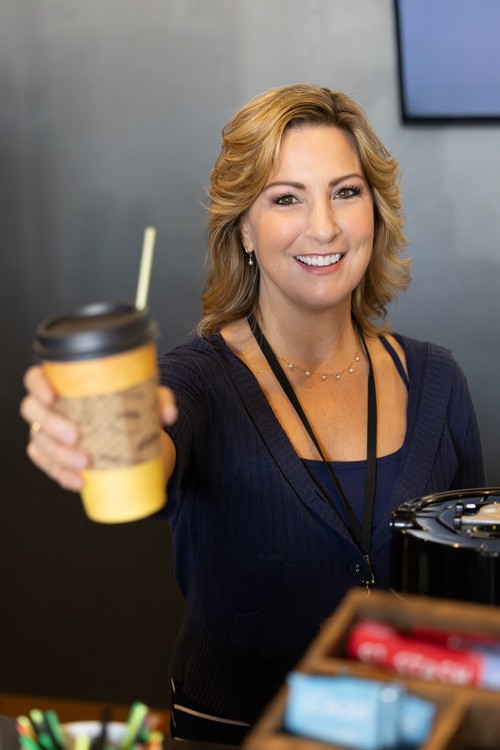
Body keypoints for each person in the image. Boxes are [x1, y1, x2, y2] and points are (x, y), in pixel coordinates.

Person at [20, 83, 485, 744]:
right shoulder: (197, 382)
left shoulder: (438, 380)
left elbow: (473, 591)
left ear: (375, 211)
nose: (323, 226)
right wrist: (96, 437)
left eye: (346, 192)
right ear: (243, 227)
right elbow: (149, 446)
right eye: (286, 197)